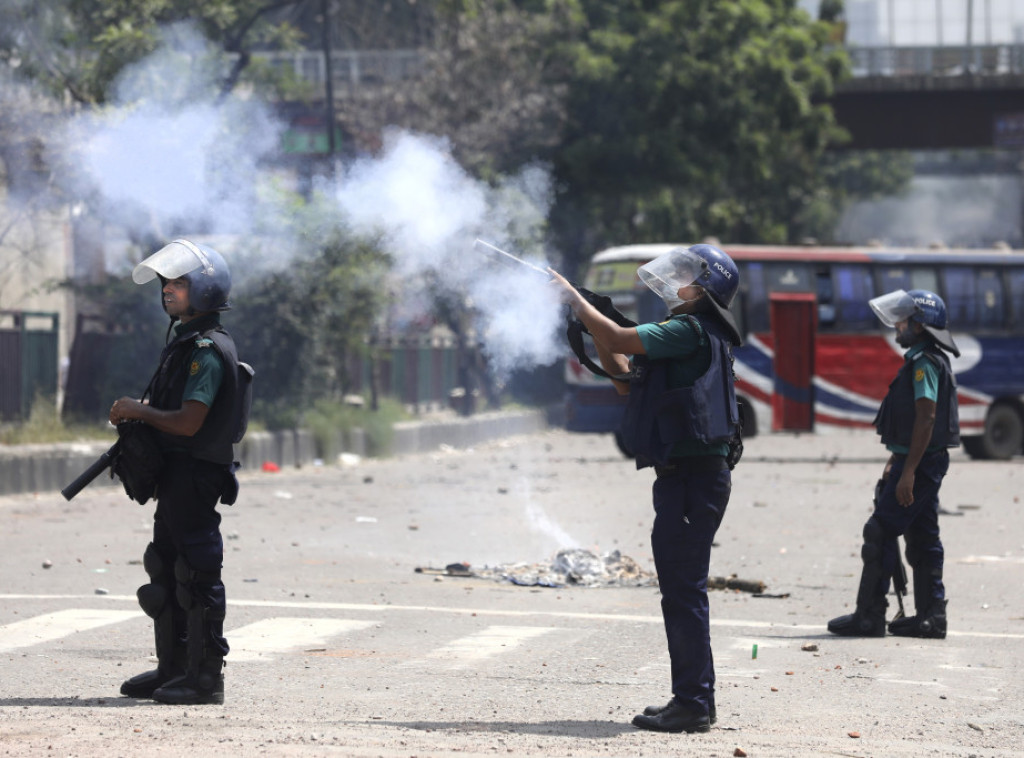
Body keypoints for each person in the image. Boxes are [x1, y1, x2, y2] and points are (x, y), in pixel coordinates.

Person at [549, 243, 742, 734]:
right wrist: (592, 326)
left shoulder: (689, 329)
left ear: (704, 290)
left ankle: (695, 704)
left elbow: (616, 334)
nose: (674, 279)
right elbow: (622, 379)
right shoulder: (692, 334)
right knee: (679, 591)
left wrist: (577, 301)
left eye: (687, 275)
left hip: (693, 480)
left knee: (684, 592)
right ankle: (689, 698)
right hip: (687, 479)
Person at [109, 238, 251, 705]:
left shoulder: (206, 349)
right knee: (165, 570)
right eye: (166, 283)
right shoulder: (187, 341)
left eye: (179, 282)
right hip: (176, 474)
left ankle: (205, 678)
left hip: (194, 473)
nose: (168, 290)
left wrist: (138, 410)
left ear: (206, 289)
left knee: (197, 574)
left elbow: (190, 422)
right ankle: (173, 669)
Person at [828, 289, 960, 639]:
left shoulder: (924, 365)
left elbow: (926, 419)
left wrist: (909, 472)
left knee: (880, 530)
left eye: (904, 320)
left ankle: (870, 615)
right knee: (923, 535)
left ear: (920, 325)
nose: (897, 326)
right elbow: (914, 425)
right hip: (920, 461)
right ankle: (931, 617)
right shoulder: (926, 358)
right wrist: (896, 460)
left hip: (922, 465)